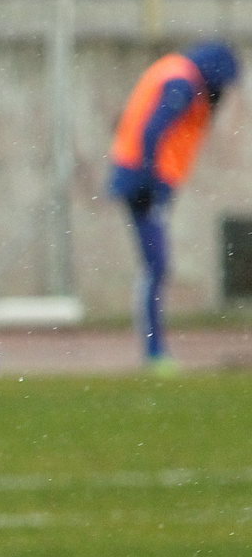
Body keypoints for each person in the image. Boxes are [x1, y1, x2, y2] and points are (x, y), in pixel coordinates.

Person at [107, 41, 239, 371]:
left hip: (137, 178)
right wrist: (154, 182)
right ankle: (153, 351)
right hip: (142, 184)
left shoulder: (175, 71)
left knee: (156, 265)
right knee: (157, 265)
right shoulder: (182, 82)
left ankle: (154, 348)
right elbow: (152, 130)